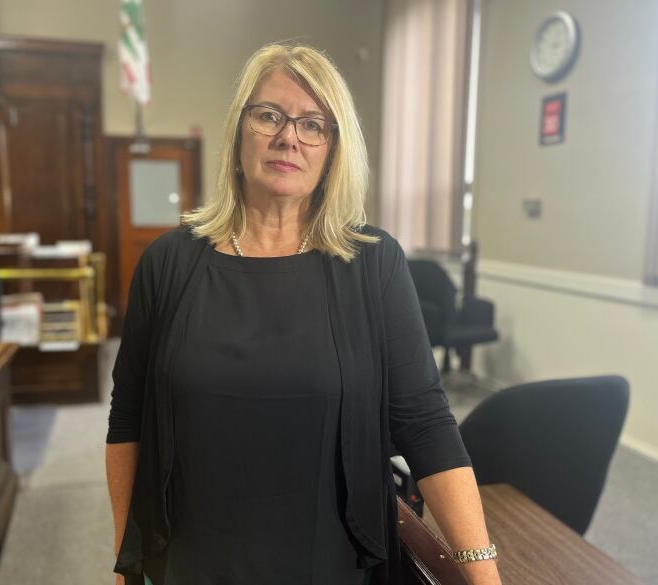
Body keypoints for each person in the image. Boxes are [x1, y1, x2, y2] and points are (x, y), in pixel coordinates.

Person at [106, 43, 502, 585]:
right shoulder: (168, 264)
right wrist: (124, 559)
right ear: (239, 129)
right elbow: (128, 419)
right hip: (190, 563)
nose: (288, 136)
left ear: (333, 149)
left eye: (314, 124)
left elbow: (425, 422)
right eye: (269, 115)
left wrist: (482, 574)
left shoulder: (373, 263)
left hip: (332, 564)